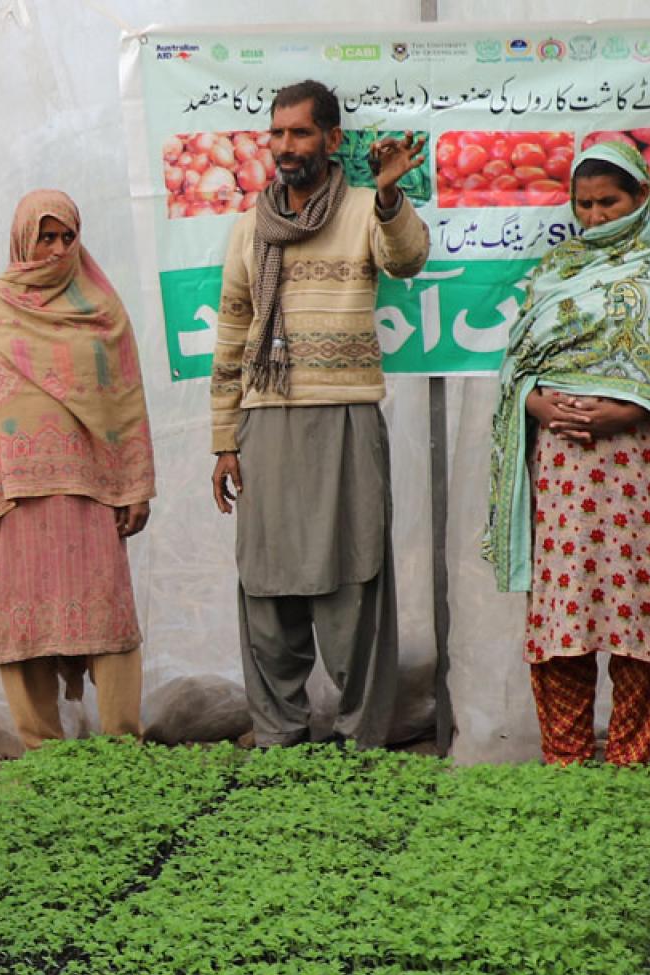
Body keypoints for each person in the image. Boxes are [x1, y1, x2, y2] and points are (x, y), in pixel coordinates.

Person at [481, 140, 650, 766]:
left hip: (641, 465)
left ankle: (627, 765)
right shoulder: (557, 267)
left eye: (608, 202)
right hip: (565, 471)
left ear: (642, 195)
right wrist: (536, 403)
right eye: (583, 205)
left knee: (637, 612)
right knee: (565, 613)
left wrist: (632, 409)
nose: (595, 217)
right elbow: (518, 364)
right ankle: (564, 762)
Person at [208, 79, 428, 748]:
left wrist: (390, 193)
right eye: (276, 134)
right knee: (268, 583)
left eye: (300, 133)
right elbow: (233, 329)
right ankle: (282, 743)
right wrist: (223, 439)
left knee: (354, 579)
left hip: (345, 418)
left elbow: (408, 259)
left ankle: (363, 745)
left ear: (333, 140)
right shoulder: (251, 226)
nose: (285, 147)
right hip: (266, 422)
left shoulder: (366, 208)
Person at [0, 190, 157, 750]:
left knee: (107, 621)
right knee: (24, 622)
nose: (58, 249)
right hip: (14, 495)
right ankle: (41, 757)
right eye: (46, 236)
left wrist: (135, 486)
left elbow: (126, 398)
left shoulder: (103, 311)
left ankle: (122, 753)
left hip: (90, 491)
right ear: (22, 240)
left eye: (68, 237)